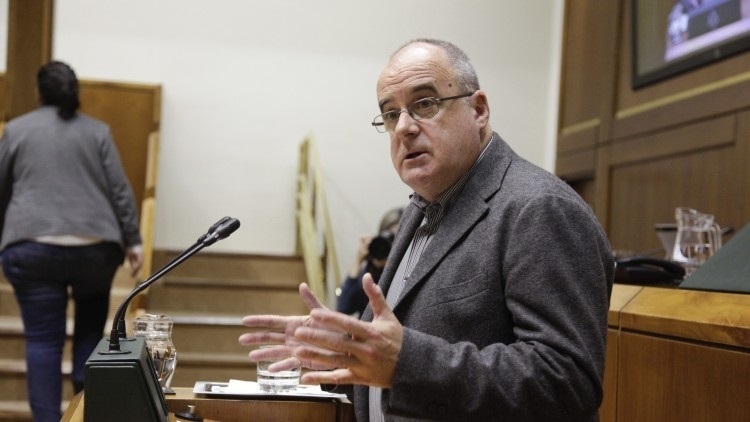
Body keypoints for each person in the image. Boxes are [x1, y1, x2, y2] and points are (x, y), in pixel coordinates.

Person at [239, 39, 614, 421]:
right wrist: (347, 353)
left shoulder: (539, 208)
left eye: (424, 104)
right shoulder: (420, 209)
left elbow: (567, 381)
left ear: (479, 110)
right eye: (389, 114)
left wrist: (407, 363)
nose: (403, 127)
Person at [0, 61, 144, 422]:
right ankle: (85, 411)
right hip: (95, 249)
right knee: (90, 336)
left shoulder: (16, 130)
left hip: (31, 246)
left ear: (39, 92)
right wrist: (134, 240)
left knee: (43, 342)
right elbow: (119, 190)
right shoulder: (97, 132)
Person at [337, 207, 403, 316]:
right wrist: (358, 261)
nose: (393, 245)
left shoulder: (408, 271)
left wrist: (390, 267)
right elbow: (344, 308)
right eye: (390, 238)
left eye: (397, 238)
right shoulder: (372, 270)